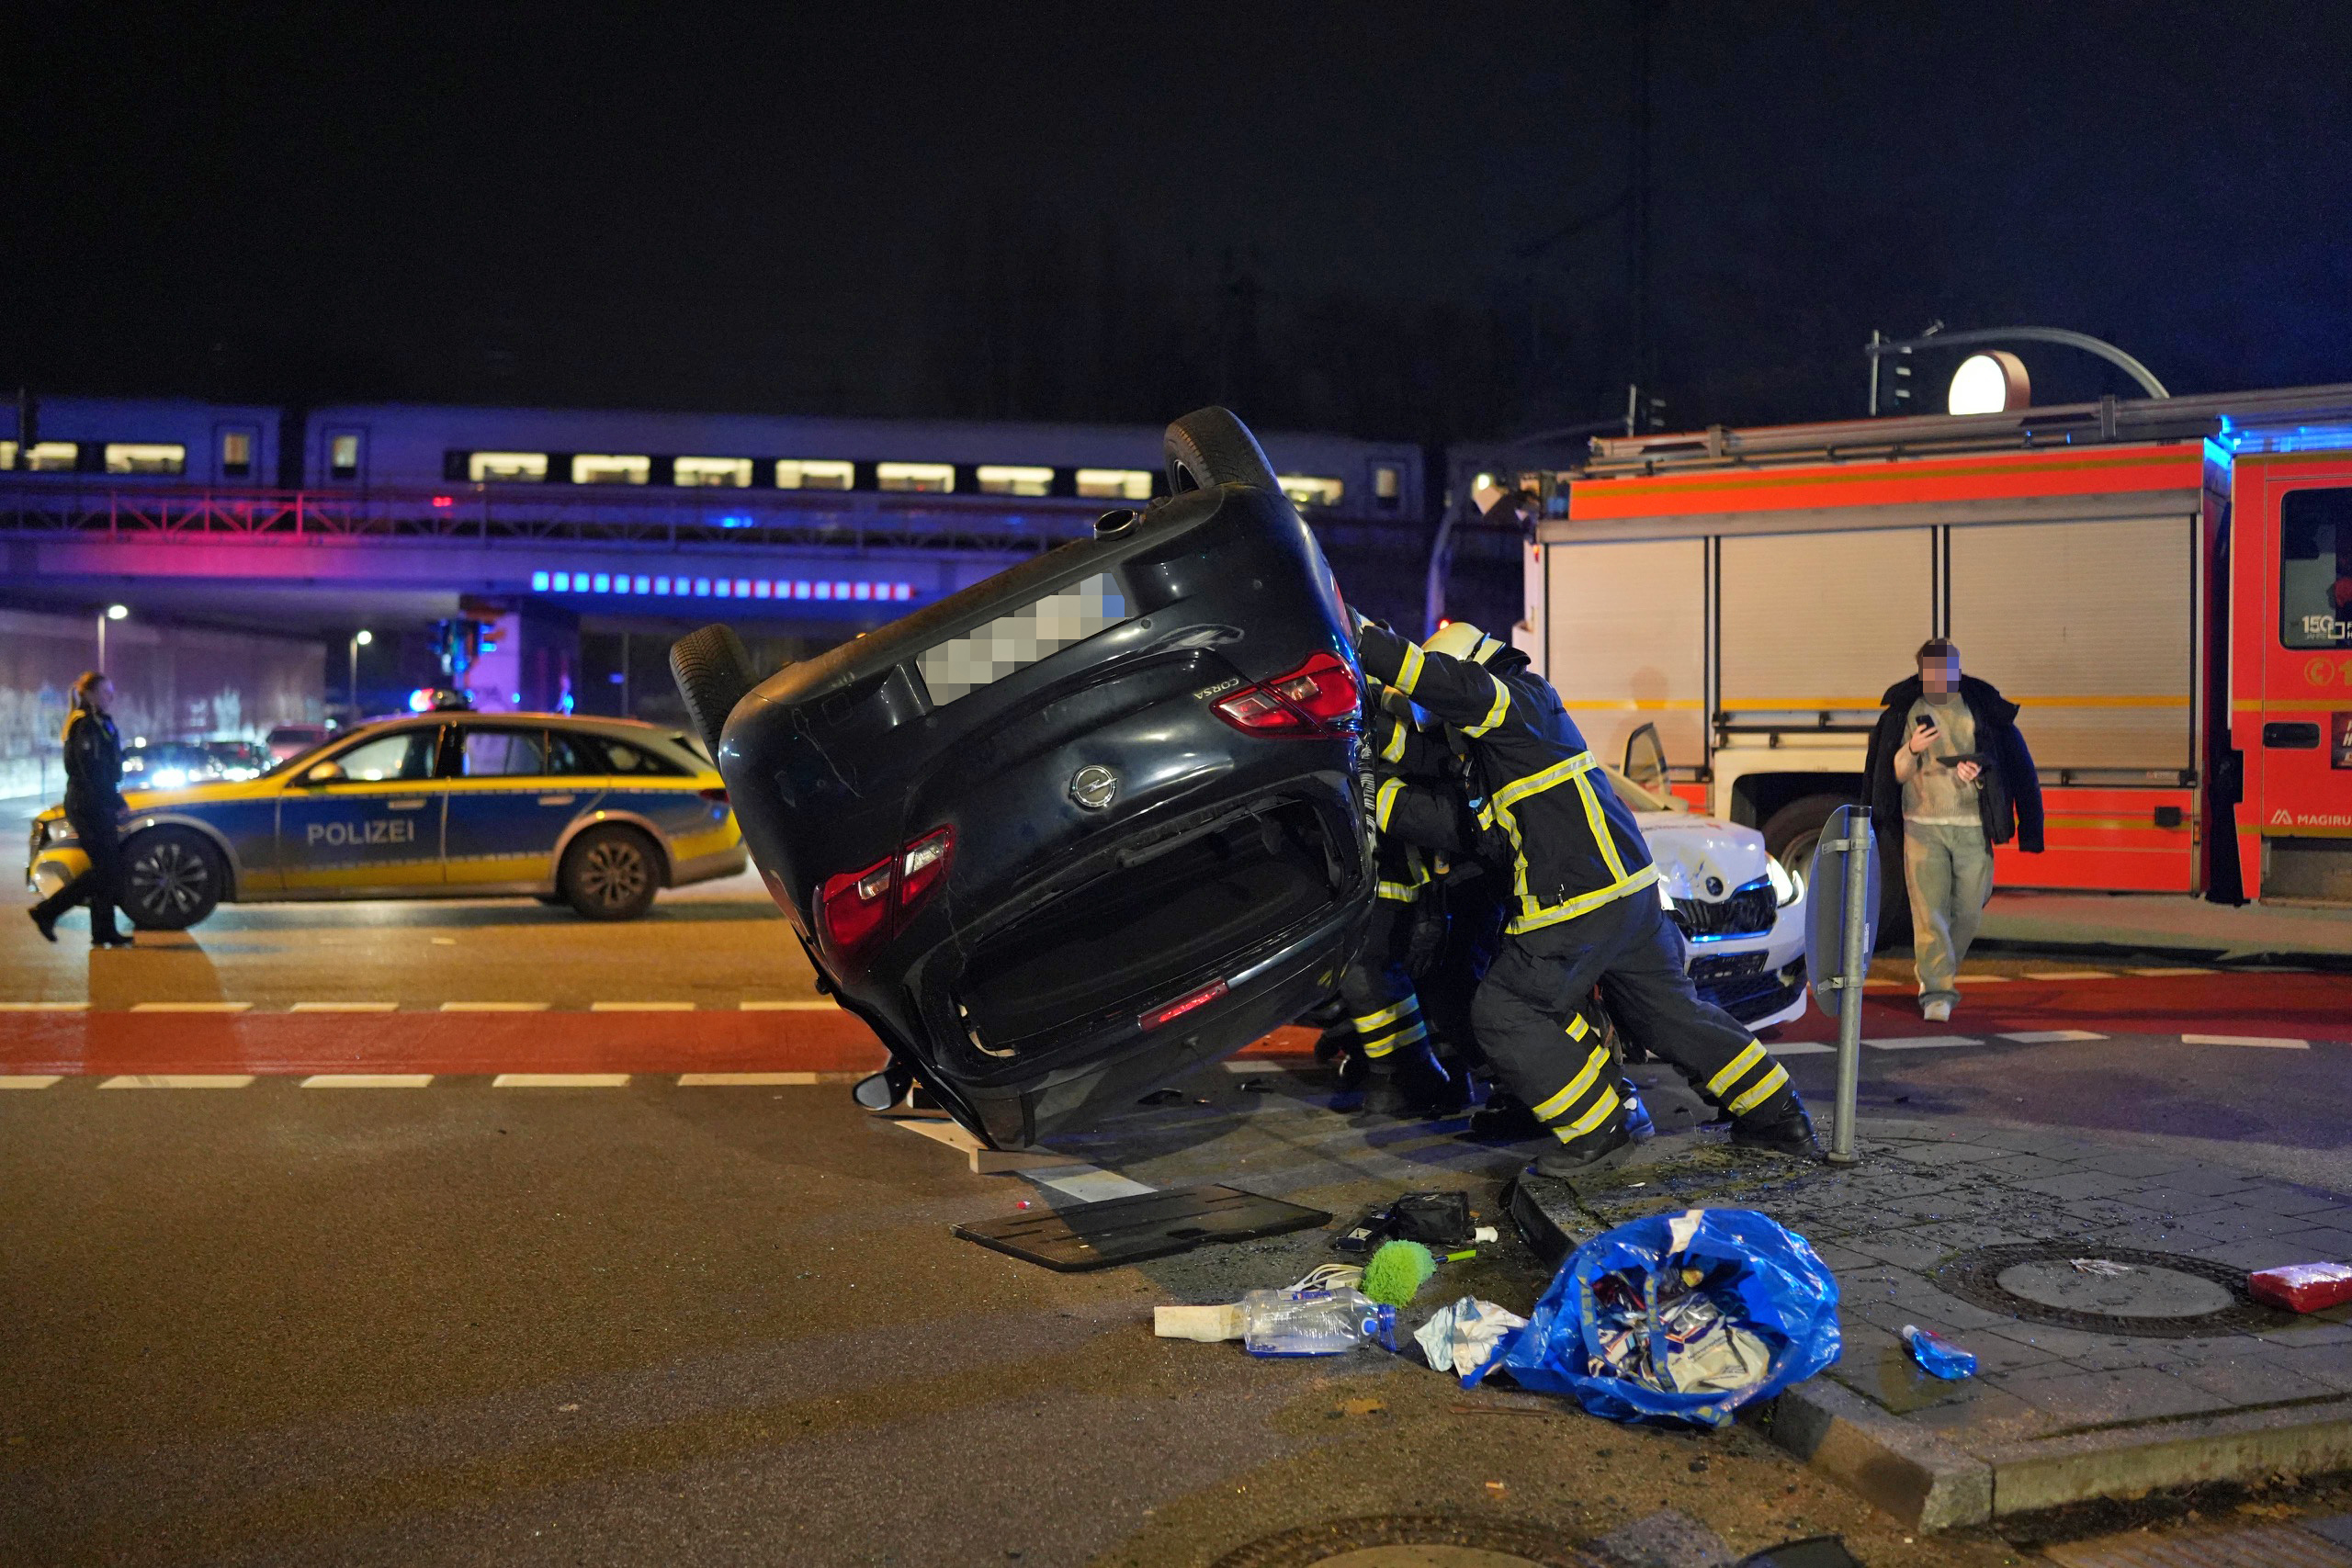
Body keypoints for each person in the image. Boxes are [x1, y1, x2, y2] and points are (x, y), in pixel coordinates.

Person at [1352, 614, 1816, 1174]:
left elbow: (1439, 684)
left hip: (1577, 900)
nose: (1450, 734)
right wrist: (1373, 787)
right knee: (1667, 1015)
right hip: (1633, 899)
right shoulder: (1516, 744)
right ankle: (1777, 1113)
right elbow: (1454, 820)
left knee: (1505, 1010)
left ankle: (1600, 1126)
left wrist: (1356, 635)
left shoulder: (1517, 700)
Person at [1863, 637, 2042, 1022]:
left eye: (1946, 671)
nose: (1940, 678)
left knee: (1968, 910)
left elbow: (2010, 763)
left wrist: (1978, 771)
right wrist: (1911, 749)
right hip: (1922, 825)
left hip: (1972, 825)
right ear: (1922, 672)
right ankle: (1937, 991)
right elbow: (1891, 773)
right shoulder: (1907, 710)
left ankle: (1939, 970)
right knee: (1928, 913)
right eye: (1932, 672)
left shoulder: (1978, 705)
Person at [30, 671, 133, 948]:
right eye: (105, 692)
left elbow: (108, 766)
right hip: (88, 804)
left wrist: (114, 798)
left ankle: (103, 932)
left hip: (97, 801)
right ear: (88, 694)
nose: (110, 697)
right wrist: (115, 801)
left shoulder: (100, 722)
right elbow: (90, 771)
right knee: (106, 869)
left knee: (106, 869)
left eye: (111, 692)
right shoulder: (83, 724)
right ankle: (46, 912)